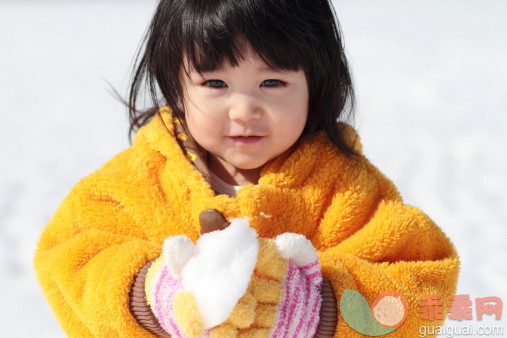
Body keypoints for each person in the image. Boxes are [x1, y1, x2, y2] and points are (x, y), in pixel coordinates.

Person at [34, 0, 460, 337]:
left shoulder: (343, 190)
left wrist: (315, 308)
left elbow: (422, 285)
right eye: (215, 83)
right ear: (176, 86)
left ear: (317, 83)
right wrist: (153, 293)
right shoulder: (136, 181)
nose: (244, 110)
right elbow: (70, 260)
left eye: (272, 82)